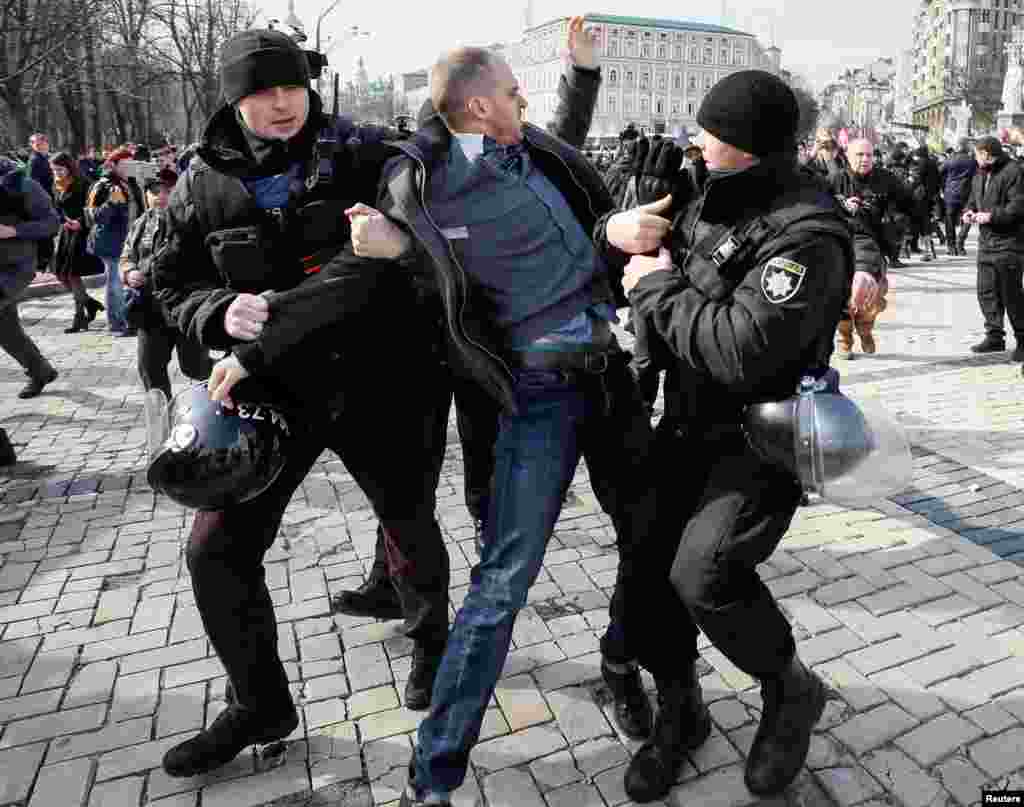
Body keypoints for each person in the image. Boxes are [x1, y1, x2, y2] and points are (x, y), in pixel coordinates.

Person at [353, 34, 660, 807]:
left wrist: (613, 233)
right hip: (534, 397)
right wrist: (398, 250)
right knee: (501, 583)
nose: (526, 102)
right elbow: (402, 278)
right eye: (515, 93)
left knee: (649, 541)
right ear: (481, 106)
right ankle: (432, 778)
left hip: (614, 375)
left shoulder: (535, 151)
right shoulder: (421, 187)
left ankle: (620, 666)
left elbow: (562, 150)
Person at [150, 27, 450, 778]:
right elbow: (167, 282)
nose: (281, 104)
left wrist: (264, 330)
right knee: (214, 549)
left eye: (291, 87)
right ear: (234, 99)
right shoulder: (202, 181)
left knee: (407, 518)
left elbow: (381, 264)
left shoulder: (367, 152)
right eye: (261, 92)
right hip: (276, 394)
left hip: (387, 375)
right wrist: (216, 312)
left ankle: (433, 644)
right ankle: (259, 703)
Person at [602, 70, 853, 802]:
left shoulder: (809, 233)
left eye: (715, 135)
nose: (698, 143)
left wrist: (652, 285)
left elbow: (741, 349)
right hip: (680, 423)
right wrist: (615, 229)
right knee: (645, 573)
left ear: (754, 147)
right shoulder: (703, 189)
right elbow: (616, 236)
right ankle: (682, 710)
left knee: (704, 574)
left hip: (759, 440)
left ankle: (789, 688)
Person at [120, 168, 212, 399]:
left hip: (184, 307)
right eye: (155, 191)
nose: (160, 196)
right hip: (149, 310)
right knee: (149, 367)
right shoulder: (142, 222)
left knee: (195, 367)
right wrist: (129, 272)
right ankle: (162, 420)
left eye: (168, 191)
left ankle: (218, 409)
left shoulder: (194, 221)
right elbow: (126, 255)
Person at [830, 138, 915, 358]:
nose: (865, 159)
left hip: (874, 246)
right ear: (848, 156)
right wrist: (841, 207)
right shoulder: (834, 181)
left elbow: (910, 203)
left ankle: (865, 329)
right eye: (859, 155)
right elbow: (820, 209)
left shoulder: (886, 179)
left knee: (873, 297)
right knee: (842, 296)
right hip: (842, 246)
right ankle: (845, 338)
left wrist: (898, 222)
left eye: (869, 155)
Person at [0, 156, 60, 399]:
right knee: (6, 331)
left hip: (14, 268)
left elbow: (52, 223)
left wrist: (14, 230)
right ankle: (40, 371)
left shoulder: (22, 185)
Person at [963, 136, 1024, 360]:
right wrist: (969, 211)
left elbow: (1017, 208)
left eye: (978, 154)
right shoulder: (980, 173)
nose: (975, 158)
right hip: (986, 244)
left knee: (1012, 295)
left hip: (1009, 244)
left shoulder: (1013, 172)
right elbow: (973, 198)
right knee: (986, 291)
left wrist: (990, 216)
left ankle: (1023, 341)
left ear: (987, 154)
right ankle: (995, 336)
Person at [85, 146, 144, 335]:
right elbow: (92, 216)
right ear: (115, 165)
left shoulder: (133, 183)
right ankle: (117, 324)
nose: (129, 167)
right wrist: (111, 203)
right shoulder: (102, 185)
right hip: (110, 242)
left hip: (132, 241)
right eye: (125, 164)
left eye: (131, 163)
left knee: (129, 282)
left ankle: (130, 319)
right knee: (115, 283)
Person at [50, 151, 106, 333]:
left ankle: (79, 316)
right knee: (60, 273)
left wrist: (80, 223)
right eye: (54, 170)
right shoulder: (57, 185)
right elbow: (58, 207)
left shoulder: (83, 184)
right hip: (66, 231)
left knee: (72, 274)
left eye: (60, 169)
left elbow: (94, 209)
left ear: (69, 167)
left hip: (81, 232)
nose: (57, 173)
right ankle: (90, 303)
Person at [940, 138, 977, 256]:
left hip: (950, 193)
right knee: (968, 218)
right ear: (966, 147)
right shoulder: (972, 161)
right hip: (967, 193)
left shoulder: (950, 160)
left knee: (949, 220)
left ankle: (951, 247)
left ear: (957, 146)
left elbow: (939, 172)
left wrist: (943, 186)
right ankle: (960, 243)